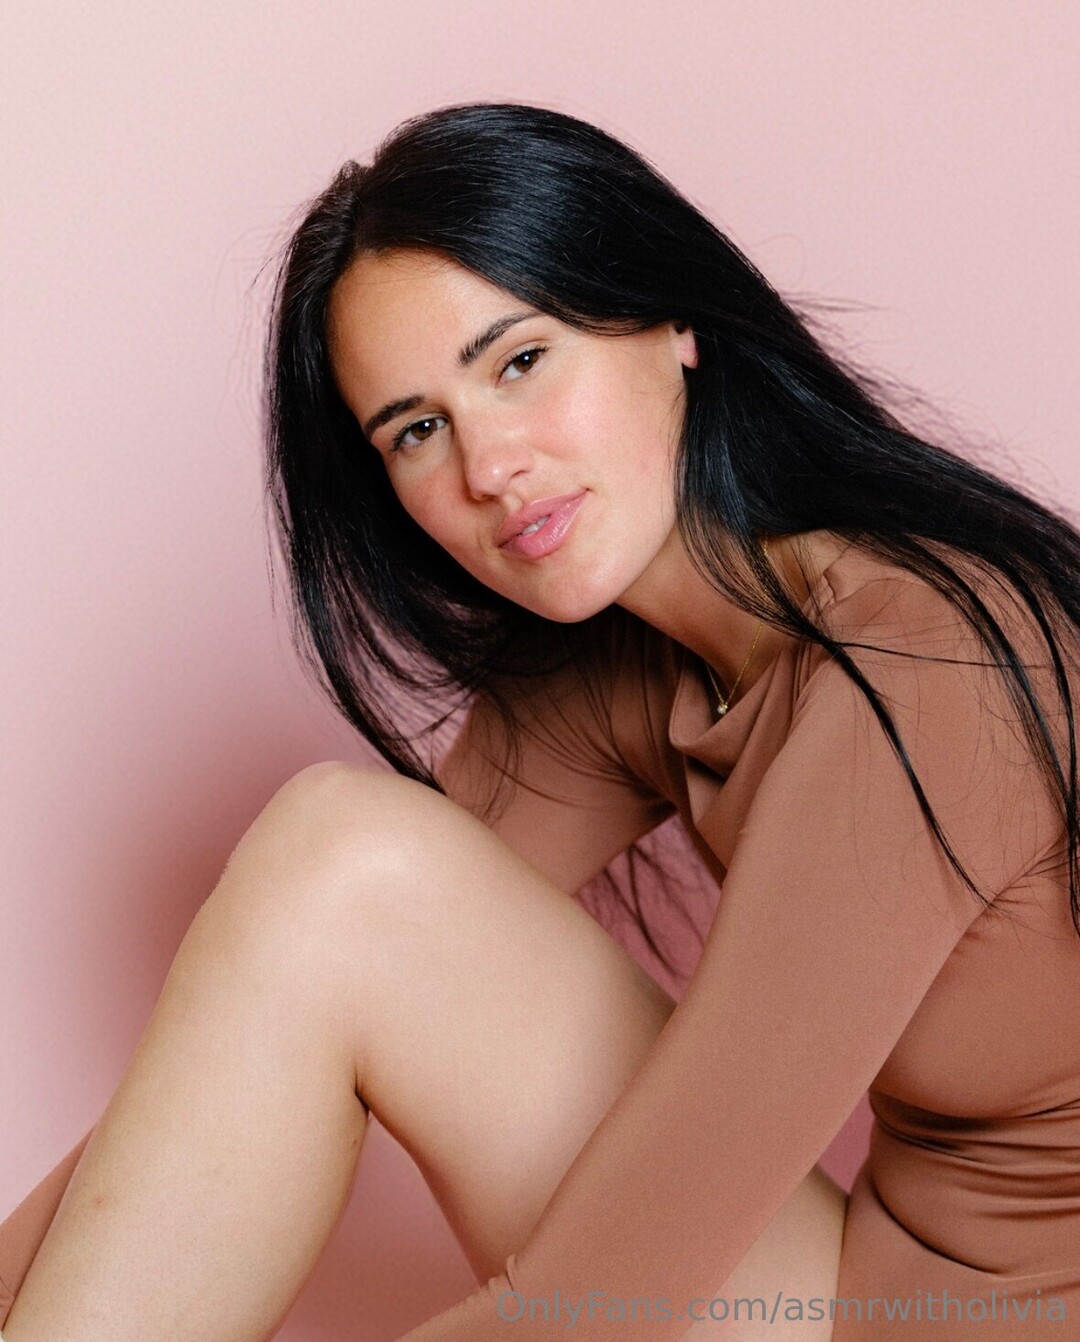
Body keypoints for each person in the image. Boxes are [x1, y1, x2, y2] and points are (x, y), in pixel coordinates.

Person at [1, 100, 1078, 1342]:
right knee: (337, 860)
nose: (489, 468)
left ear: (671, 320)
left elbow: (589, 1306)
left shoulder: (920, 669)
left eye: (518, 363)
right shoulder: (621, 661)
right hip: (865, 1295)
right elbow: (257, 1008)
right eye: (417, 430)